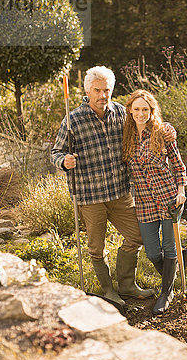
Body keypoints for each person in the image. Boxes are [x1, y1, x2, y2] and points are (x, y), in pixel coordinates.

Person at [51, 66, 174, 306]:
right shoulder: (73, 120)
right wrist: (64, 161)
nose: (102, 95)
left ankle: (127, 284)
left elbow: (145, 120)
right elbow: (56, 151)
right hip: (89, 196)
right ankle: (108, 290)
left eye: (106, 90)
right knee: (96, 247)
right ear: (88, 91)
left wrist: (168, 128)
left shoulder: (120, 112)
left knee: (137, 235)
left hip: (120, 192)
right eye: (97, 90)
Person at [122, 89, 187, 315]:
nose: (141, 114)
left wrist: (181, 191)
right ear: (130, 110)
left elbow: (179, 166)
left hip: (169, 197)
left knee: (170, 247)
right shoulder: (126, 137)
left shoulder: (162, 133)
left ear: (152, 112)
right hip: (143, 202)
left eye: (145, 110)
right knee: (152, 252)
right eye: (137, 109)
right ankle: (173, 275)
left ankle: (165, 293)